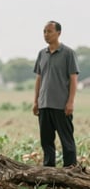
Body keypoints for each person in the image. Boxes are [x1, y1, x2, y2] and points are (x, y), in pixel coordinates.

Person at [33, 20, 79, 167]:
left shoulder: (68, 53)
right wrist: (36, 101)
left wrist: (70, 102)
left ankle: (70, 171)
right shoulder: (42, 54)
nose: (46, 34)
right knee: (46, 141)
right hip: (44, 104)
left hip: (61, 105)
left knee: (67, 141)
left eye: (49, 31)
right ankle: (48, 172)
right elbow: (39, 79)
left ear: (58, 33)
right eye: (44, 31)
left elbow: (73, 79)